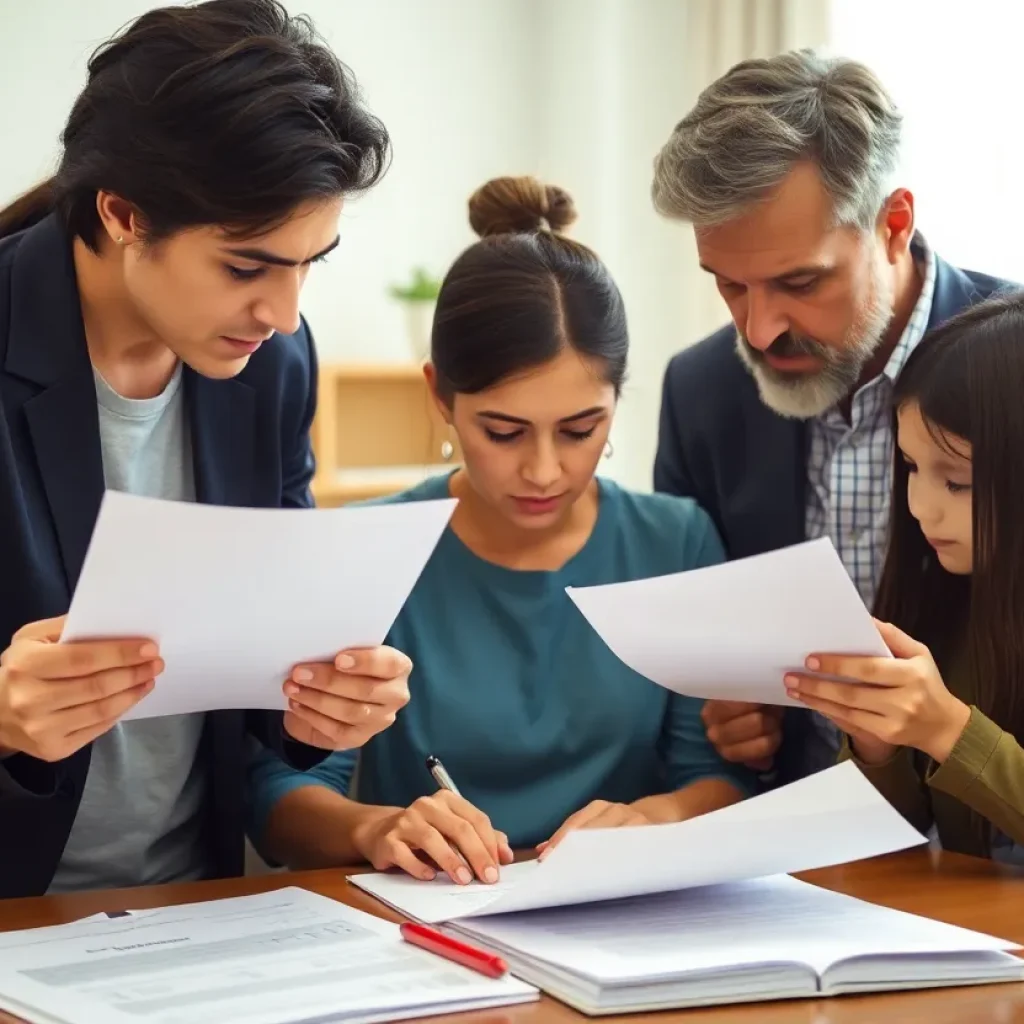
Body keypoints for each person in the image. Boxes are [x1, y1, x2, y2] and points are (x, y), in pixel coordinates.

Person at [0, 0, 411, 900]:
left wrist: (326, 705)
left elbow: (270, 680)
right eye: (247, 266)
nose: (286, 314)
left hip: (192, 908)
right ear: (122, 215)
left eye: (313, 262)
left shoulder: (274, 366)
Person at [246, 176, 755, 885]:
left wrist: (654, 820)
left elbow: (723, 775)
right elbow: (279, 796)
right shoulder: (362, 549)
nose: (544, 470)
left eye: (581, 429)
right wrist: (381, 826)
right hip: (430, 923)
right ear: (439, 397)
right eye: (504, 431)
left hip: (627, 918)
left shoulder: (678, 542)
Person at [649, 49, 1015, 787]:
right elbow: (700, 648)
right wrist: (732, 708)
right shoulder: (701, 391)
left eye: (799, 281)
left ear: (894, 224)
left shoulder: (1008, 365)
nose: (757, 330)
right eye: (728, 286)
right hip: (790, 854)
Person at [784, 295, 1024, 860]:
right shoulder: (945, 600)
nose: (920, 507)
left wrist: (949, 731)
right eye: (912, 468)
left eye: (958, 482)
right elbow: (882, 841)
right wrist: (877, 743)